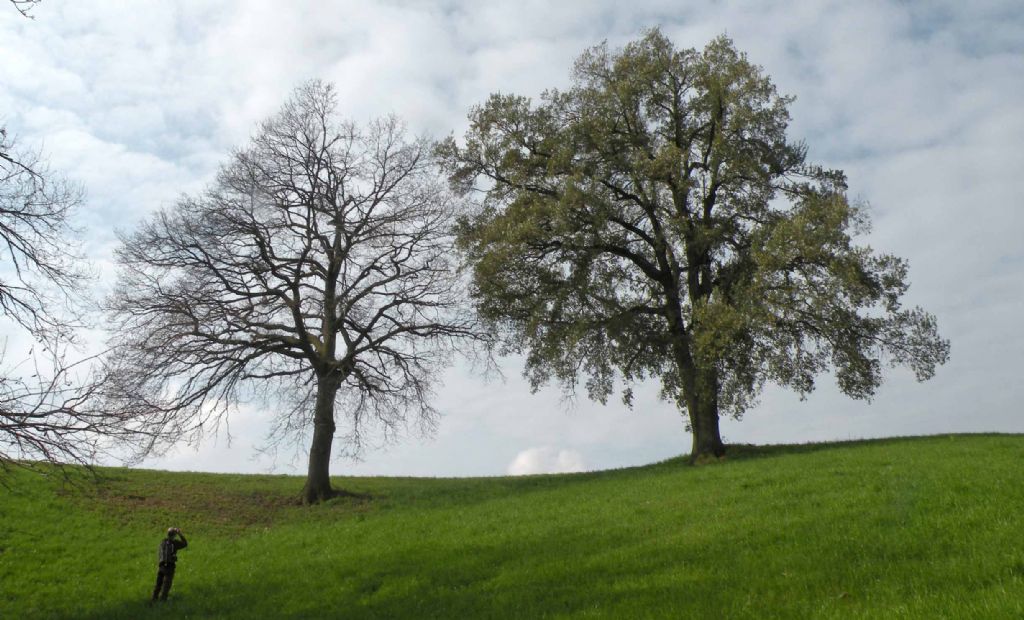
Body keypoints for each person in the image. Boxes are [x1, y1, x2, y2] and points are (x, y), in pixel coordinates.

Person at [152, 527, 188, 602]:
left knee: (158, 584)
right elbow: (185, 543)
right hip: (169, 566)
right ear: (174, 535)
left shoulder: (163, 542)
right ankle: (163, 601)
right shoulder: (174, 543)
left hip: (161, 565)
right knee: (167, 585)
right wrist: (180, 534)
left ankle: (153, 599)